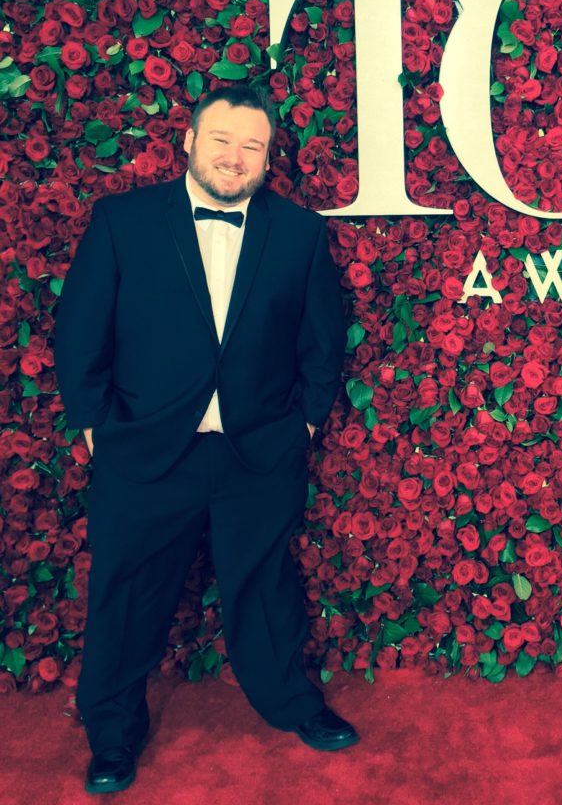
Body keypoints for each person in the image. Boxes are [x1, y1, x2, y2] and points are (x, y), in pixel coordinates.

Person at [55, 84, 357, 795]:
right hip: (148, 450)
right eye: (222, 139)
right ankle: (112, 737)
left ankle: (294, 703)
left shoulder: (300, 232)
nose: (235, 156)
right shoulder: (122, 222)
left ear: (267, 158)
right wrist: (96, 422)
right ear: (188, 141)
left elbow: (322, 341)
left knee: (264, 584)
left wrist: (305, 422)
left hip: (257, 450)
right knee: (127, 595)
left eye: (252, 146)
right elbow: (79, 329)